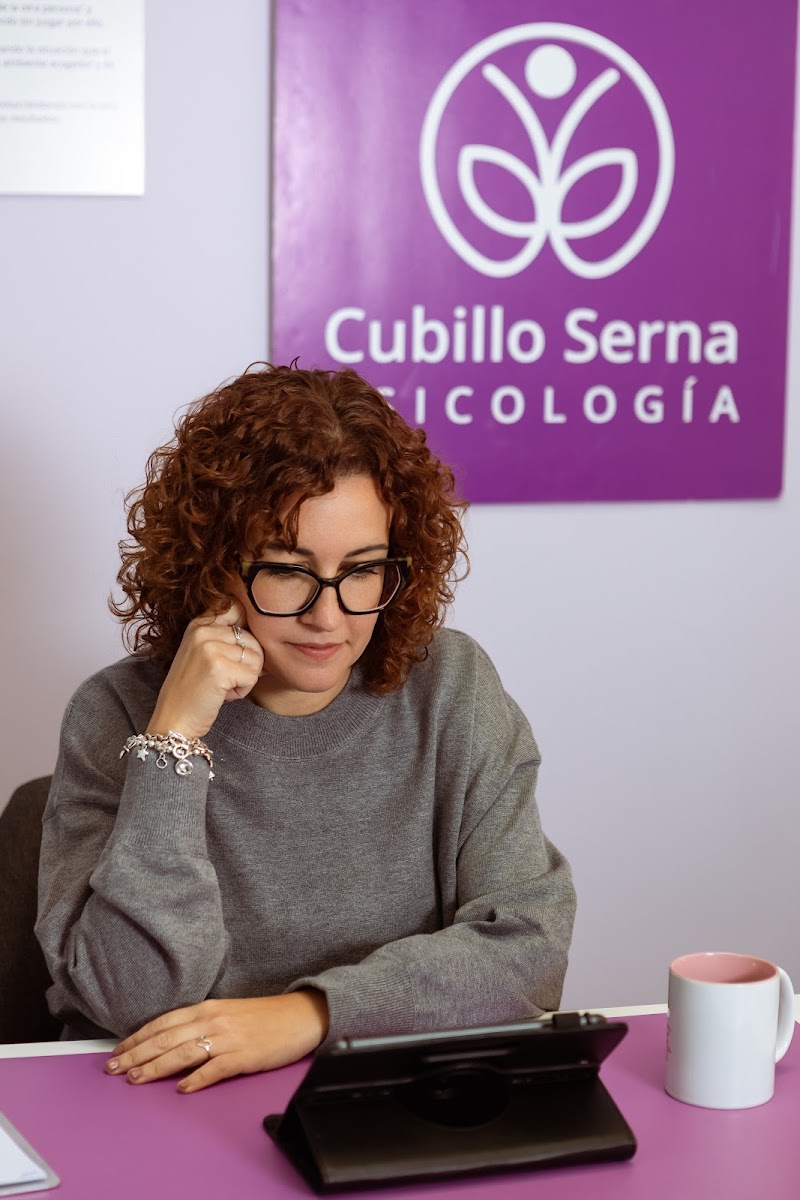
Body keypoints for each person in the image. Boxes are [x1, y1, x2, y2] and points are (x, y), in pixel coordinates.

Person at [36, 363, 576, 1094]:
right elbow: (131, 1001)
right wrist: (173, 744)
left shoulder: (452, 690)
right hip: (167, 1104)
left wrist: (310, 1015)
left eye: (362, 570)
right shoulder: (119, 713)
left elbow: (529, 948)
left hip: (380, 1098)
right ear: (214, 568)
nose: (329, 616)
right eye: (288, 570)